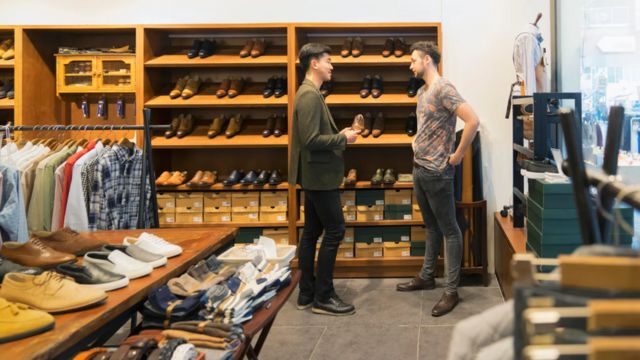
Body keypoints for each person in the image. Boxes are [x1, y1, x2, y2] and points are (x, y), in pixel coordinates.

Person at [396, 41, 480, 317]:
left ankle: (451, 291)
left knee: (450, 229)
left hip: (438, 172)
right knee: (430, 225)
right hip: (420, 168)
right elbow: (427, 127)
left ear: (428, 60)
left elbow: (472, 121)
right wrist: (415, 143)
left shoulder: (444, 88)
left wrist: (457, 155)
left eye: (413, 60)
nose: (410, 65)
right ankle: (427, 275)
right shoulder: (422, 92)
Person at [289, 43, 359, 316]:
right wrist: (343, 137)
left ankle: (306, 293)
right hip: (320, 177)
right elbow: (310, 140)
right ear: (314, 63)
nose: (332, 65)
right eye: (328, 61)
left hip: (315, 174)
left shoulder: (311, 93)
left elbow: (313, 136)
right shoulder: (308, 95)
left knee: (311, 234)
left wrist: (338, 133)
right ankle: (323, 296)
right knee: (335, 232)